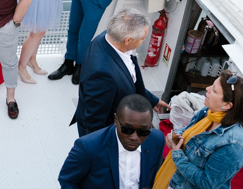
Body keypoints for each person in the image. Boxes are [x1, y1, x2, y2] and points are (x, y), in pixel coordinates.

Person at [56, 94, 166, 189]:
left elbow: (152, 179)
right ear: (116, 120)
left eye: (143, 132)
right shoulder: (88, 146)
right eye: (127, 129)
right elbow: (67, 180)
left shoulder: (157, 140)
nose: (134, 137)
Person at [72, 8, 170, 137]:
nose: (143, 41)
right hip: (106, 131)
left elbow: (131, 79)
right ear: (128, 40)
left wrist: (151, 100)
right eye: (142, 38)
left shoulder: (108, 37)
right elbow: (94, 121)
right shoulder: (102, 74)